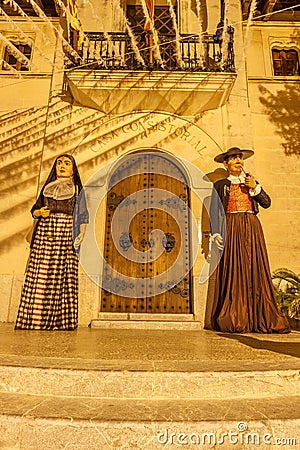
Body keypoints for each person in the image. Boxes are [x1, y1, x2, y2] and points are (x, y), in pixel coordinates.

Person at [209, 147, 290, 333]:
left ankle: (259, 316)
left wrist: (255, 187)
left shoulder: (252, 182)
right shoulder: (220, 185)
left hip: (252, 227)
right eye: (234, 158)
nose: (238, 160)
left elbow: (267, 203)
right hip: (231, 227)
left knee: (255, 268)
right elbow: (215, 211)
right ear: (226, 164)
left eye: (240, 158)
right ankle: (235, 315)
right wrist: (215, 233)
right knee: (235, 269)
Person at [15, 154, 88, 331]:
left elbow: (83, 214)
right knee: (40, 273)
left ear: (73, 168)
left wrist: (81, 233)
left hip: (65, 233)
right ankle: (34, 319)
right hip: (45, 233)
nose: (62, 166)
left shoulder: (77, 188)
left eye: (66, 163)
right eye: (59, 163)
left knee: (62, 275)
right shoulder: (47, 188)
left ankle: (59, 321)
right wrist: (39, 213)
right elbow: (35, 209)